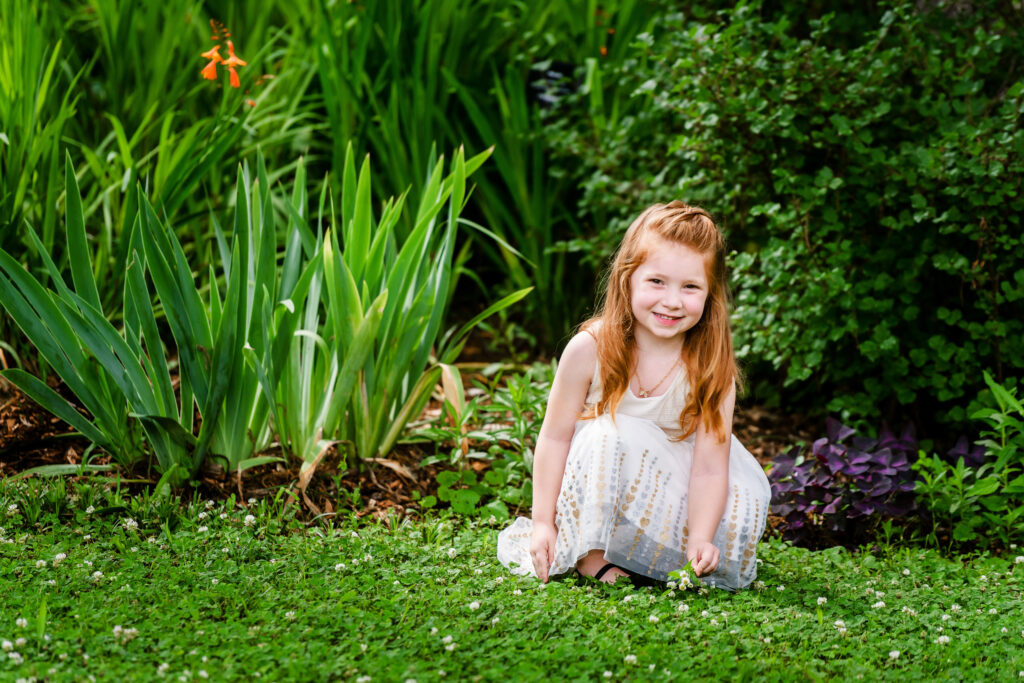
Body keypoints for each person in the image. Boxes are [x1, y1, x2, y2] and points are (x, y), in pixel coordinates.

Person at [496, 201, 771, 591]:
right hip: (601, 472)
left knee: (739, 499)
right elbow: (555, 436)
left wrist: (701, 536)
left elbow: (709, 467)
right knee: (606, 432)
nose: (672, 301)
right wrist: (543, 522)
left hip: (672, 485)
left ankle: (664, 555)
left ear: (710, 294)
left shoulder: (711, 367)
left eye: (690, 286)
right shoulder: (590, 348)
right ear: (628, 279)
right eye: (656, 281)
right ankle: (593, 555)